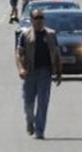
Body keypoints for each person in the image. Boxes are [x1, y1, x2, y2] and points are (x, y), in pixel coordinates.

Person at [14, 8, 63, 139]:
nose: (39, 21)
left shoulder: (51, 35)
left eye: (41, 18)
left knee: (43, 102)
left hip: (45, 72)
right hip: (29, 73)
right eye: (36, 18)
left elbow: (57, 54)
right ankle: (30, 121)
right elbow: (19, 54)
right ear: (31, 20)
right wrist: (21, 69)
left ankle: (39, 130)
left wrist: (59, 72)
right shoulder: (25, 35)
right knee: (28, 103)